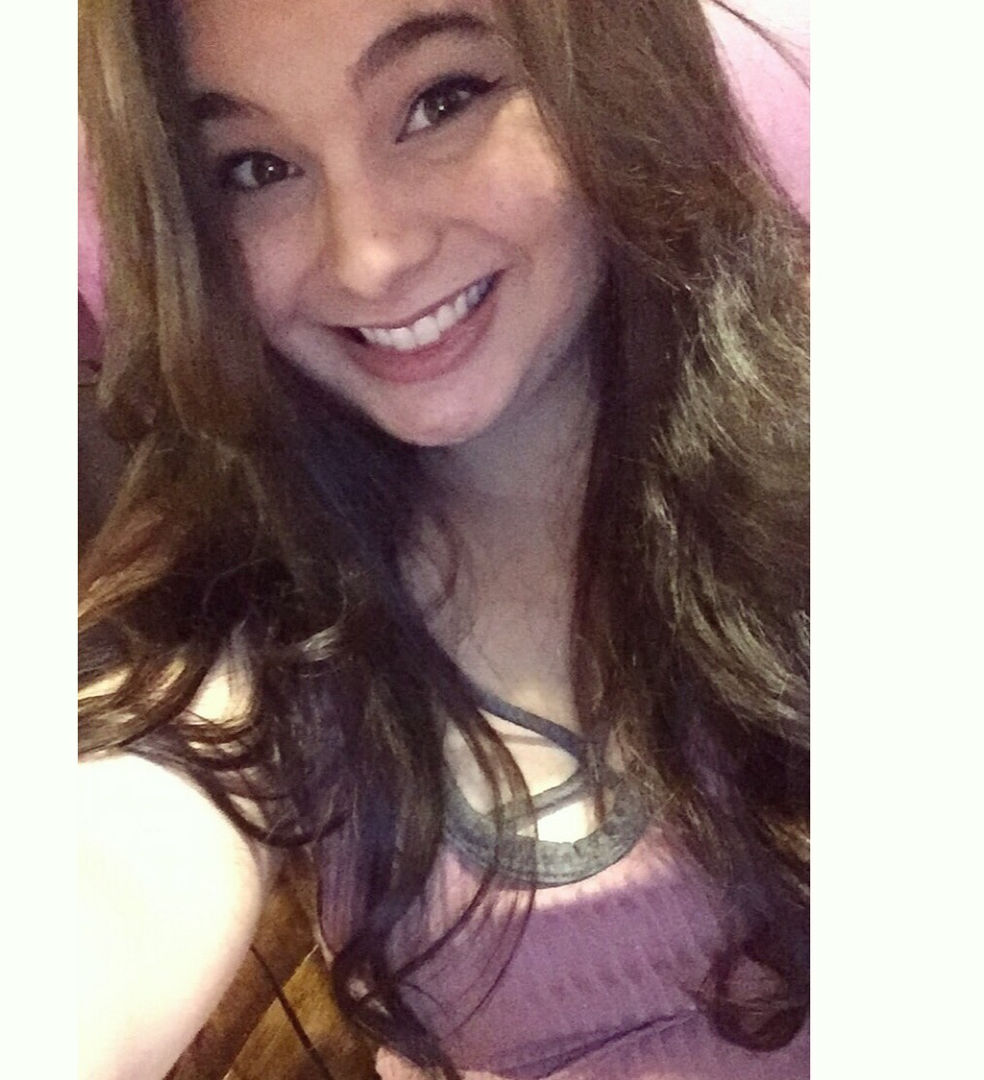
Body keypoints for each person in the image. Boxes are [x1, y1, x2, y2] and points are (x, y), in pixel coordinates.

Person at [77, 0, 810, 1078]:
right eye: (253, 169)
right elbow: (95, 900)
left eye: (442, 101)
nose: (369, 255)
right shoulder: (255, 619)